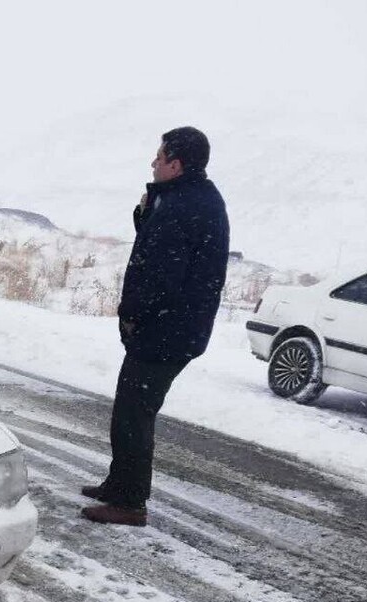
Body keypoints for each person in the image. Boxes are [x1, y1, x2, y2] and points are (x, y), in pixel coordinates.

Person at [81, 127, 229, 526]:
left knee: (134, 414)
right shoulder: (188, 199)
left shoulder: (184, 206)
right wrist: (146, 214)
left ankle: (130, 502)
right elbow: (157, 246)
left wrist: (131, 314)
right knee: (129, 410)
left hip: (167, 331)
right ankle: (119, 484)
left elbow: (160, 274)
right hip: (174, 328)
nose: (153, 162)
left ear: (176, 165)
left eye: (159, 157)